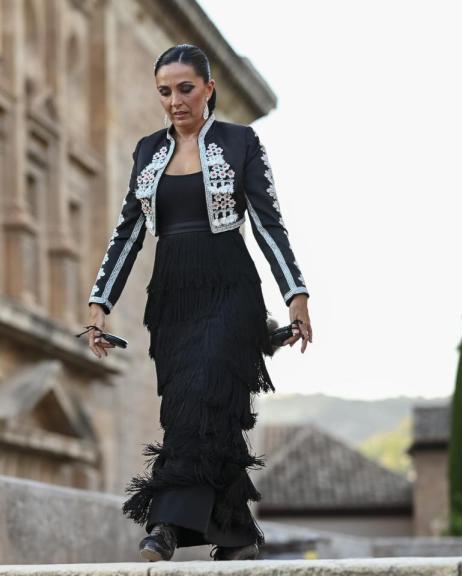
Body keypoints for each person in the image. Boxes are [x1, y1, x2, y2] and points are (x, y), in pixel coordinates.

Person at [83, 44, 313, 562]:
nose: (175, 101)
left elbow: (268, 224)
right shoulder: (147, 151)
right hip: (171, 293)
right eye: (165, 91)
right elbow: (128, 234)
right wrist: (100, 302)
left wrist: (295, 294)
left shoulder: (240, 142)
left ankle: (165, 525)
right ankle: (236, 536)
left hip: (230, 285)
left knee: (205, 392)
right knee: (191, 405)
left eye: (185, 88)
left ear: (209, 88)